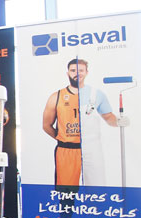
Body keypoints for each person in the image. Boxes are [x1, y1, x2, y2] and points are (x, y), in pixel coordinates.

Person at [42, 58, 128, 186]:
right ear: (68, 73)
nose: (77, 73)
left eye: (81, 70)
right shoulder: (56, 96)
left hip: (92, 148)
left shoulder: (96, 94)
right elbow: (46, 125)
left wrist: (118, 122)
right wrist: (62, 139)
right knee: (66, 191)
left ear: (87, 72)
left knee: (97, 186)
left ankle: (96, 206)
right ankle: (67, 207)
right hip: (67, 150)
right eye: (73, 70)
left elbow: (108, 117)